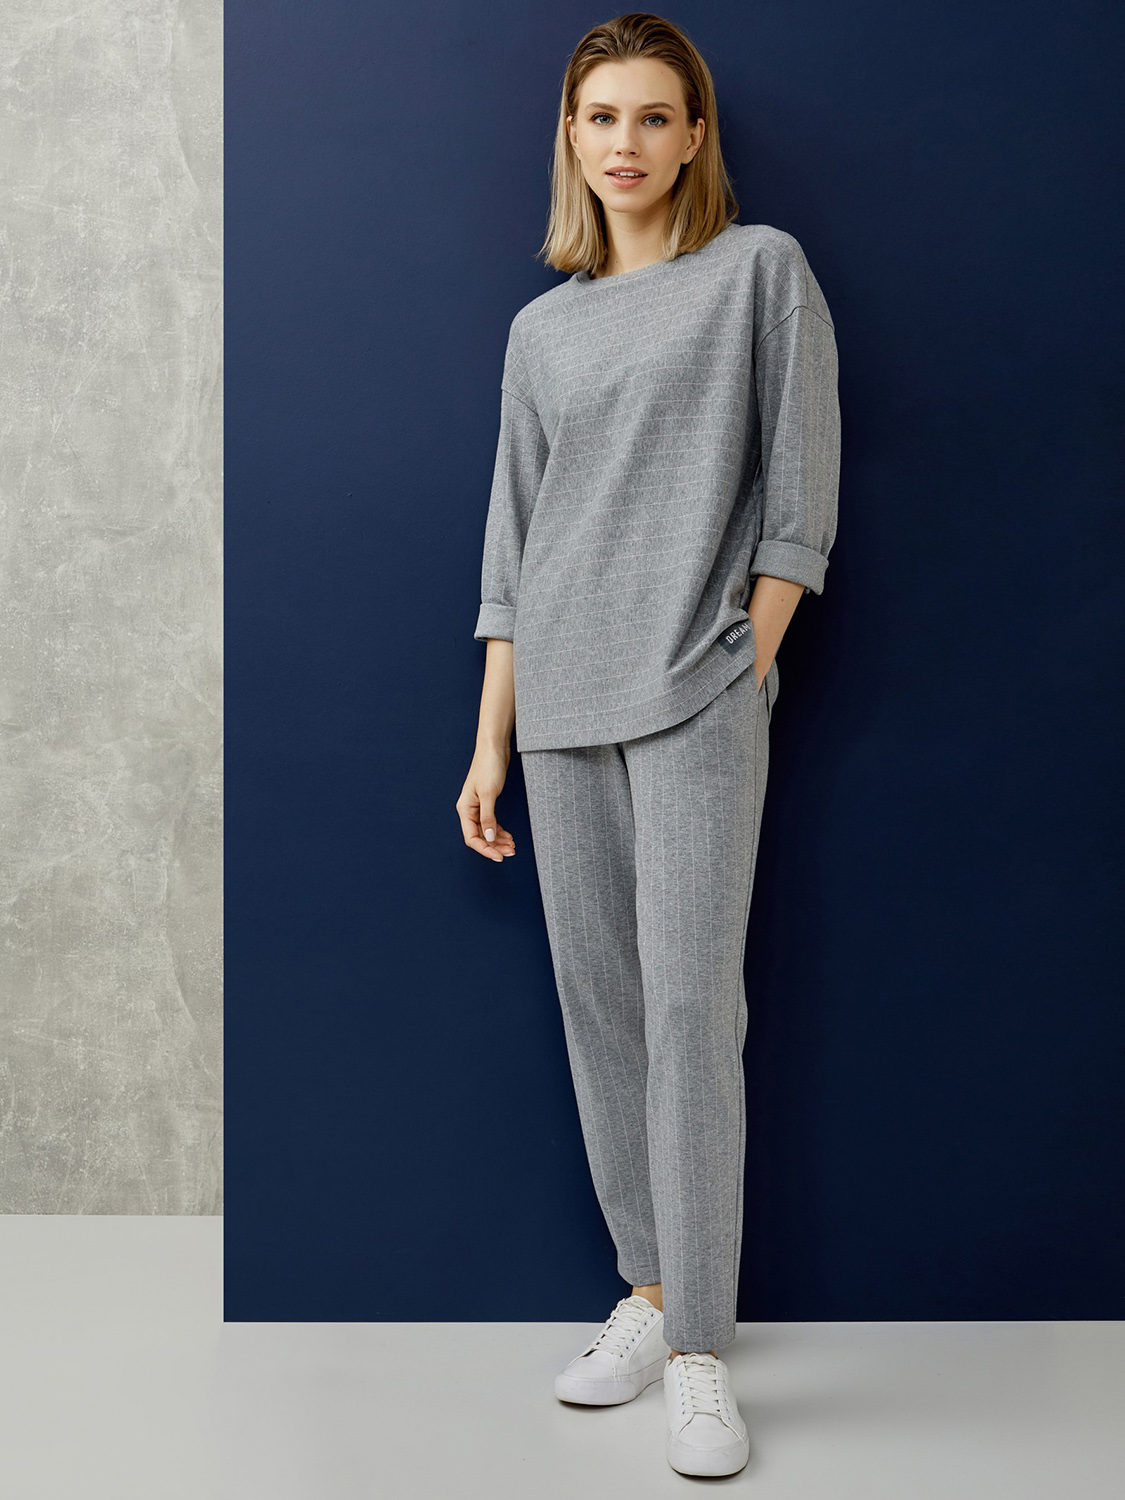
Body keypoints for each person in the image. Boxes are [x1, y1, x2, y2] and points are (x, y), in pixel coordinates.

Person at [455, 11, 841, 1479]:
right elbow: (513, 551)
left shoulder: (759, 274)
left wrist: (743, 666)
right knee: (603, 1014)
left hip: (693, 696)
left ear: (694, 136)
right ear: (571, 135)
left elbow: (798, 507)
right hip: (556, 708)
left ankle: (699, 1357)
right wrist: (488, 745)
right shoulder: (539, 332)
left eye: (653, 116)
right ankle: (650, 1291)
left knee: (690, 1016)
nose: (625, 142)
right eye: (601, 116)